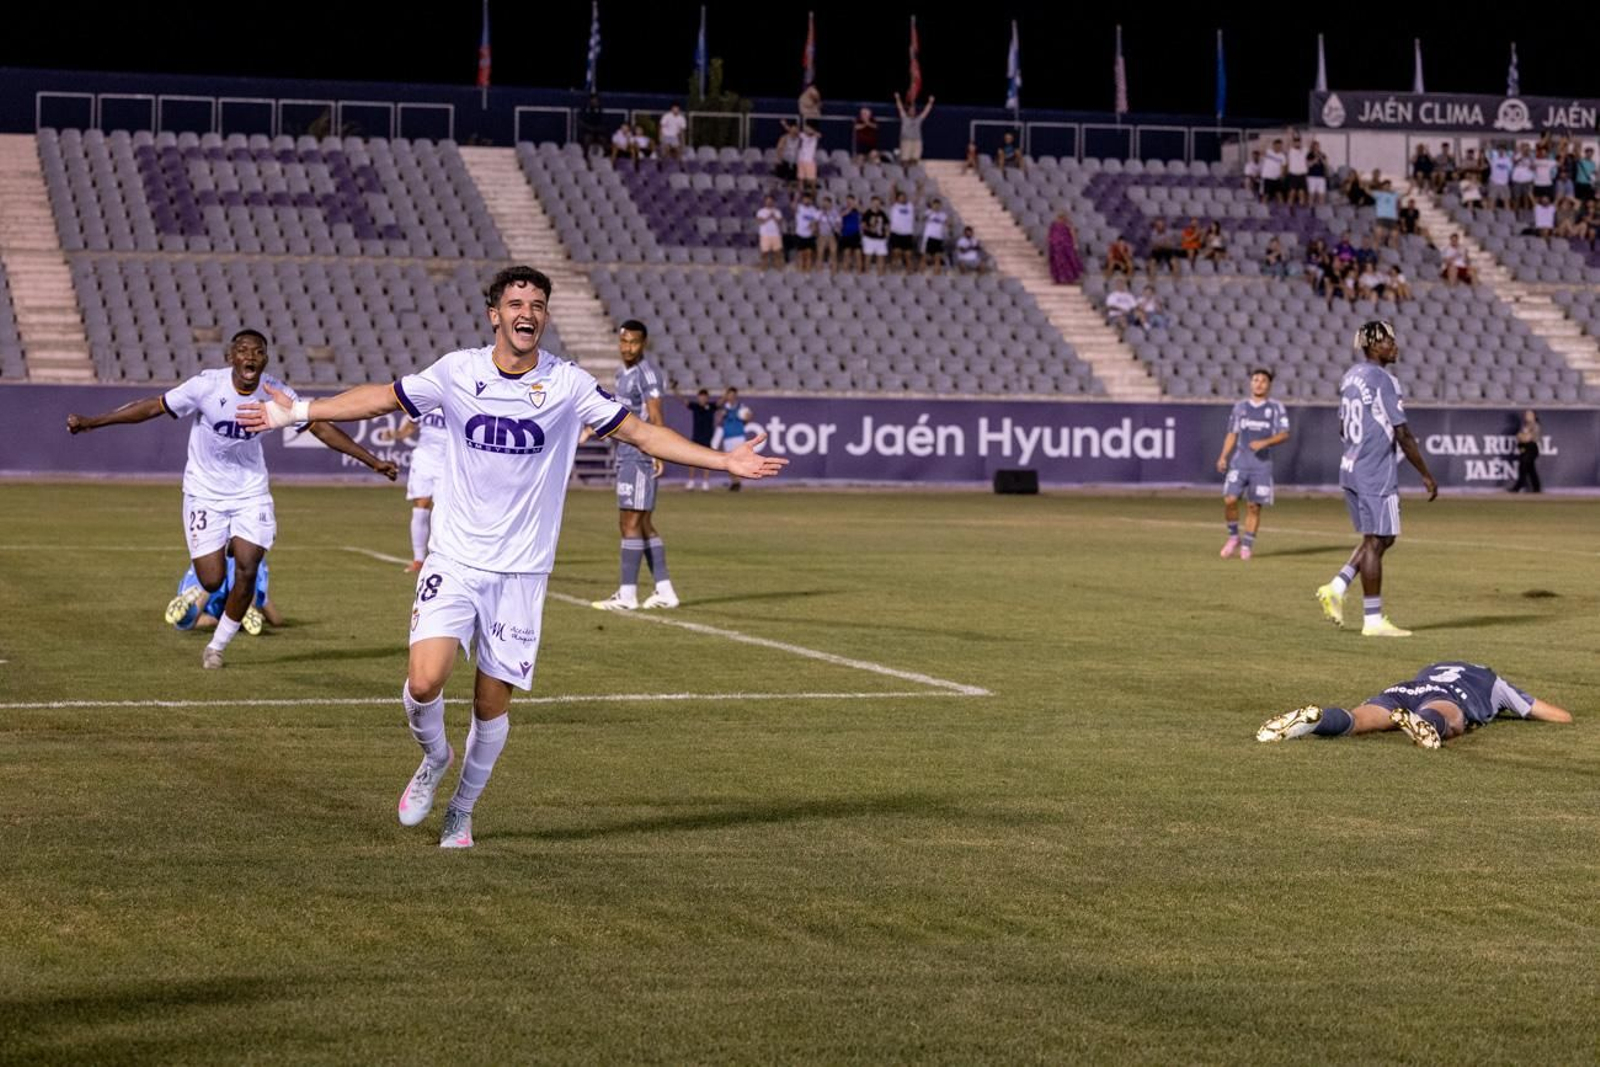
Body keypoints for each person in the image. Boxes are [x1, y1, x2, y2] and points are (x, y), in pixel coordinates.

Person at [237, 267, 787, 849]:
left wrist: (722, 461)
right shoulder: (457, 371)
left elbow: (644, 435)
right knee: (424, 682)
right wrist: (299, 413)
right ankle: (433, 758)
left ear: (544, 317)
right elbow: (382, 397)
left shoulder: (568, 384)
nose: (528, 311)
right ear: (494, 314)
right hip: (454, 556)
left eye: (538, 304)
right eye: (516, 302)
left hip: (521, 572)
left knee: (488, 701)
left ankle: (463, 811)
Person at [67, 329, 398, 669]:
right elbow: (153, 406)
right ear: (231, 358)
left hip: (249, 492)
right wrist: (95, 422)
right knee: (211, 579)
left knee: (248, 568)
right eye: (242, 350)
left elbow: (320, 427)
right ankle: (226, 545)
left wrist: (372, 461)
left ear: (264, 359)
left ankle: (217, 646)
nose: (249, 356)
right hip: (204, 492)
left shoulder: (276, 393)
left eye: (257, 351)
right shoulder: (207, 386)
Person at [1314, 320, 1438, 638]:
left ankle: (1336, 587)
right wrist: (1425, 473)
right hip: (1375, 471)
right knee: (1378, 540)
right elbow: (1403, 432)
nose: (1395, 346)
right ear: (1372, 345)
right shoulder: (1384, 380)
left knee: (1380, 538)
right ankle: (1372, 619)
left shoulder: (1350, 376)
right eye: (1388, 342)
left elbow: (1343, 427)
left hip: (1351, 466)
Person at [1255, 661, 1572, 750]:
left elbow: (1425, 683)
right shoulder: (1494, 681)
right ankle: (1428, 726)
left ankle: (1318, 719)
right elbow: (1556, 715)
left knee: (1360, 720)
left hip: (1404, 689)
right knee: (1453, 717)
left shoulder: (1436, 665)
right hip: (1444, 696)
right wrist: (1507, 705)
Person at [593, 320, 678, 612]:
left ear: (644, 344)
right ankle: (665, 590)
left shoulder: (647, 374)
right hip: (627, 455)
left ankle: (627, 595)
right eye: (623, 342)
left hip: (640, 455)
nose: (627, 348)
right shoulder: (622, 373)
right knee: (639, 524)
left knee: (631, 523)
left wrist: (659, 452)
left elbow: (656, 416)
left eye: (633, 342)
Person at [1215, 368, 1290, 560]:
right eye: (1255, 380)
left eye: (1263, 381)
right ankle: (1233, 537)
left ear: (1269, 385)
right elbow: (1232, 433)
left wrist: (1265, 442)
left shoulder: (1275, 408)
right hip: (1240, 462)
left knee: (1253, 507)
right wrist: (1223, 456)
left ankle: (1247, 544)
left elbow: (1284, 434)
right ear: (1250, 383)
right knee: (1230, 499)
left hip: (1261, 465)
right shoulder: (1240, 407)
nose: (1259, 383)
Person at [167, 553, 279, 635]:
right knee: (246, 587)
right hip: (239, 562)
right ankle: (246, 607)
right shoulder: (254, 553)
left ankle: (191, 602)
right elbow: (274, 617)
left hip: (208, 559)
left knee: (185, 622)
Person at [395, 409, 448, 573]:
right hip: (424, 460)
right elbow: (409, 427)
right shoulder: (425, 402)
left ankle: (442, 558)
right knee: (421, 506)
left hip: (448, 462)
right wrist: (397, 434)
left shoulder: (457, 399)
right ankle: (418, 559)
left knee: (443, 510)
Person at [672, 381, 718, 490]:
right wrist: (675, 390)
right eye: (700, 397)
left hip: (707, 437)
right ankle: (691, 481)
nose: (702, 399)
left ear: (707, 398)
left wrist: (726, 391)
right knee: (692, 460)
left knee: (707, 460)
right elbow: (683, 400)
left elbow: (721, 402)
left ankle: (705, 482)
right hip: (696, 436)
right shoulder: (695, 406)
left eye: (704, 397)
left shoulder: (711, 407)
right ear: (698, 398)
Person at [715, 387, 752, 491]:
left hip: (738, 436)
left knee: (738, 460)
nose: (731, 397)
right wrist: (721, 417)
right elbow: (718, 421)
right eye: (729, 395)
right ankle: (734, 482)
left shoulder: (741, 407)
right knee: (729, 461)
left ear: (735, 396)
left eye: (732, 395)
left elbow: (749, 416)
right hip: (728, 437)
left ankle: (738, 482)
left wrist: (745, 420)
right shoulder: (724, 408)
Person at [893, 91, 934, 166]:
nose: (912, 111)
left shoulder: (918, 119)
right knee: (905, 160)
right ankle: (904, 176)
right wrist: (897, 98)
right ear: (908, 111)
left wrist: (930, 102)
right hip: (906, 141)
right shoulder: (904, 118)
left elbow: (926, 111)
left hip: (917, 141)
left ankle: (913, 174)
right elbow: (900, 108)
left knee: (914, 160)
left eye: (914, 110)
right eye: (910, 110)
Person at [1511, 409, 1542, 493]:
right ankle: (1537, 488)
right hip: (1524, 448)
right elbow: (1519, 437)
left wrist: (1524, 436)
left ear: (1534, 416)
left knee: (1523, 466)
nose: (1527, 416)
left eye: (1529, 414)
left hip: (1531, 448)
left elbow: (1527, 438)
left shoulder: (1535, 426)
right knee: (1530, 468)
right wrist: (1523, 436)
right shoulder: (1524, 426)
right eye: (1526, 414)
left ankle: (1518, 486)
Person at [1048, 212, 1083, 284]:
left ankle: (1070, 279)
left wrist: (1075, 244)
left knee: (1069, 262)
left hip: (1067, 246)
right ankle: (1058, 279)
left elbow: (1073, 234)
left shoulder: (1068, 224)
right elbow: (1050, 235)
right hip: (1056, 247)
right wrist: (1051, 242)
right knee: (1057, 263)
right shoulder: (1054, 225)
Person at [860, 195, 890, 275]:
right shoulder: (867, 213)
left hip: (880, 239)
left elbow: (886, 224)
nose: (876, 205)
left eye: (878, 203)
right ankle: (867, 274)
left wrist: (887, 232)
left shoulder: (882, 213)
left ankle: (880, 275)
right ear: (871, 203)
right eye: (875, 203)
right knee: (868, 257)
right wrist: (870, 229)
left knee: (881, 258)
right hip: (869, 239)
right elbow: (863, 225)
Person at [920, 197, 950, 273]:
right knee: (924, 257)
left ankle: (937, 276)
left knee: (937, 258)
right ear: (932, 205)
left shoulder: (943, 215)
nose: (936, 207)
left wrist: (948, 226)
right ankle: (921, 273)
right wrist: (931, 212)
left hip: (938, 238)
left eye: (938, 205)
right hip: (929, 237)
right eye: (935, 205)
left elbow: (948, 223)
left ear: (940, 206)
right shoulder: (928, 212)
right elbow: (921, 218)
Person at [755, 194, 784, 270]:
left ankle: (778, 267)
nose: (769, 203)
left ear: (773, 202)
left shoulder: (777, 211)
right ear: (765, 202)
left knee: (777, 253)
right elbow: (760, 222)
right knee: (764, 253)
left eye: (771, 201)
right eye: (767, 201)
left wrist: (774, 216)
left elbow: (780, 222)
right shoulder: (760, 211)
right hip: (765, 235)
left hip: (776, 235)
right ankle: (764, 267)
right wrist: (769, 217)